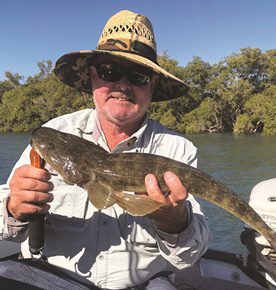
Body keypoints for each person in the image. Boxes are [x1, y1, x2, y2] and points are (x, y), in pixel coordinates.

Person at [0, 10, 210, 290]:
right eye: (109, 71)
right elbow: (5, 224)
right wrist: (14, 208)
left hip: (144, 284)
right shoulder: (55, 134)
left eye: (139, 75)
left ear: (153, 84)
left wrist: (173, 220)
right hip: (52, 277)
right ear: (92, 76)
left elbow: (191, 255)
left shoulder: (177, 149)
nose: (122, 85)